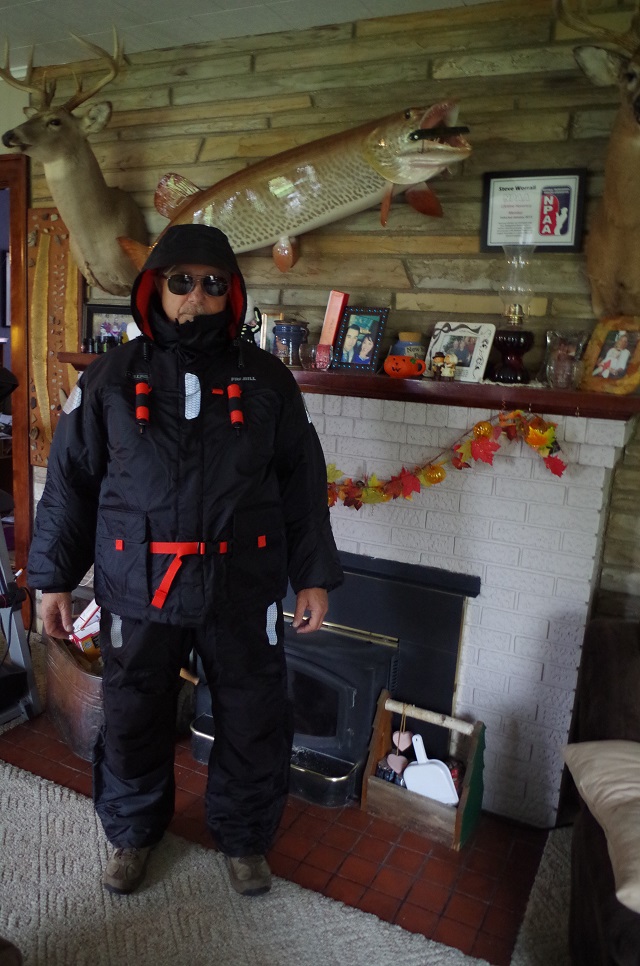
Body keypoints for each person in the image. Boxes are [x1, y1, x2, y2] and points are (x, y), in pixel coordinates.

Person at [27, 224, 343, 899]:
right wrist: (52, 578)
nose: (196, 295)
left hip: (242, 587)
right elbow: (71, 484)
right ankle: (133, 832)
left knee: (254, 719)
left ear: (231, 293)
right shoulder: (110, 378)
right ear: (155, 289)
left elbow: (302, 483)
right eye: (181, 281)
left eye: (212, 283)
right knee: (133, 718)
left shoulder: (268, 380)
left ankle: (245, 837)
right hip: (137, 586)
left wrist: (313, 575)